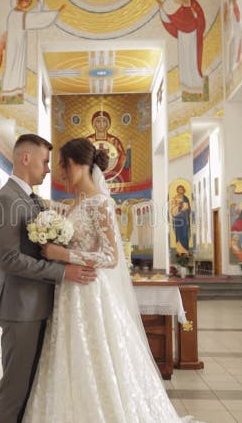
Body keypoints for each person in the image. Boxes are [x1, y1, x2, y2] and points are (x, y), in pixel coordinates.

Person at [24, 137, 196, 422]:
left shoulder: (101, 203)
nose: (61, 173)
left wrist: (63, 254)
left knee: (96, 354)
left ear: (78, 164)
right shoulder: (77, 203)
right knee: (67, 353)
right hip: (70, 290)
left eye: (63, 165)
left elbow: (111, 256)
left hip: (90, 291)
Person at [0, 134, 96, 423]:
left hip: (39, 304)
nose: (49, 169)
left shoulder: (31, 199)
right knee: (16, 387)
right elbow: (10, 260)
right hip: (20, 307)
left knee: (33, 386)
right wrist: (63, 270)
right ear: (25, 159)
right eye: (45, 162)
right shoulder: (5, 200)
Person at [171, 184, 191, 253]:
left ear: (183, 190)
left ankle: (185, 250)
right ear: (177, 190)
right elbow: (172, 208)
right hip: (177, 220)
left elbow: (187, 209)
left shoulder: (185, 198)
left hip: (184, 219)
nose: (180, 190)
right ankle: (179, 251)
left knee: (184, 233)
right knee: (178, 234)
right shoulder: (175, 197)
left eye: (181, 189)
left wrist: (183, 209)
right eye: (179, 189)